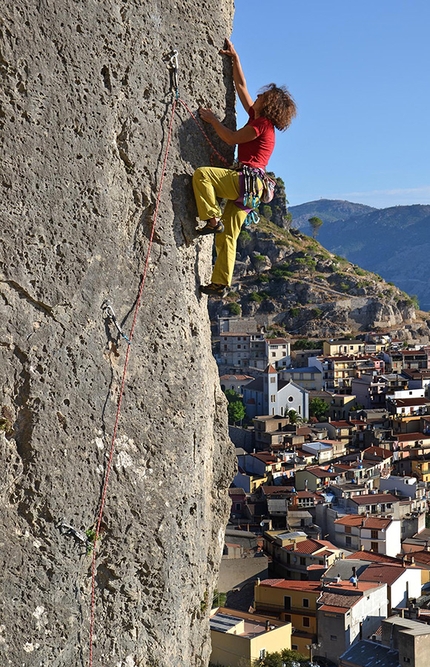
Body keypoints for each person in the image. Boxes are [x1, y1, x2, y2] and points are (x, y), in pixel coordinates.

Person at [192, 38, 297, 297]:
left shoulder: (261, 126)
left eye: (263, 96)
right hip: (252, 192)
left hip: (245, 180)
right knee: (228, 235)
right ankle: (220, 283)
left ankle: (211, 218)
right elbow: (241, 86)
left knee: (203, 175)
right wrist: (235, 58)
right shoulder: (259, 120)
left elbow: (229, 138)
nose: (258, 96)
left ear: (269, 104)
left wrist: (213, 120)